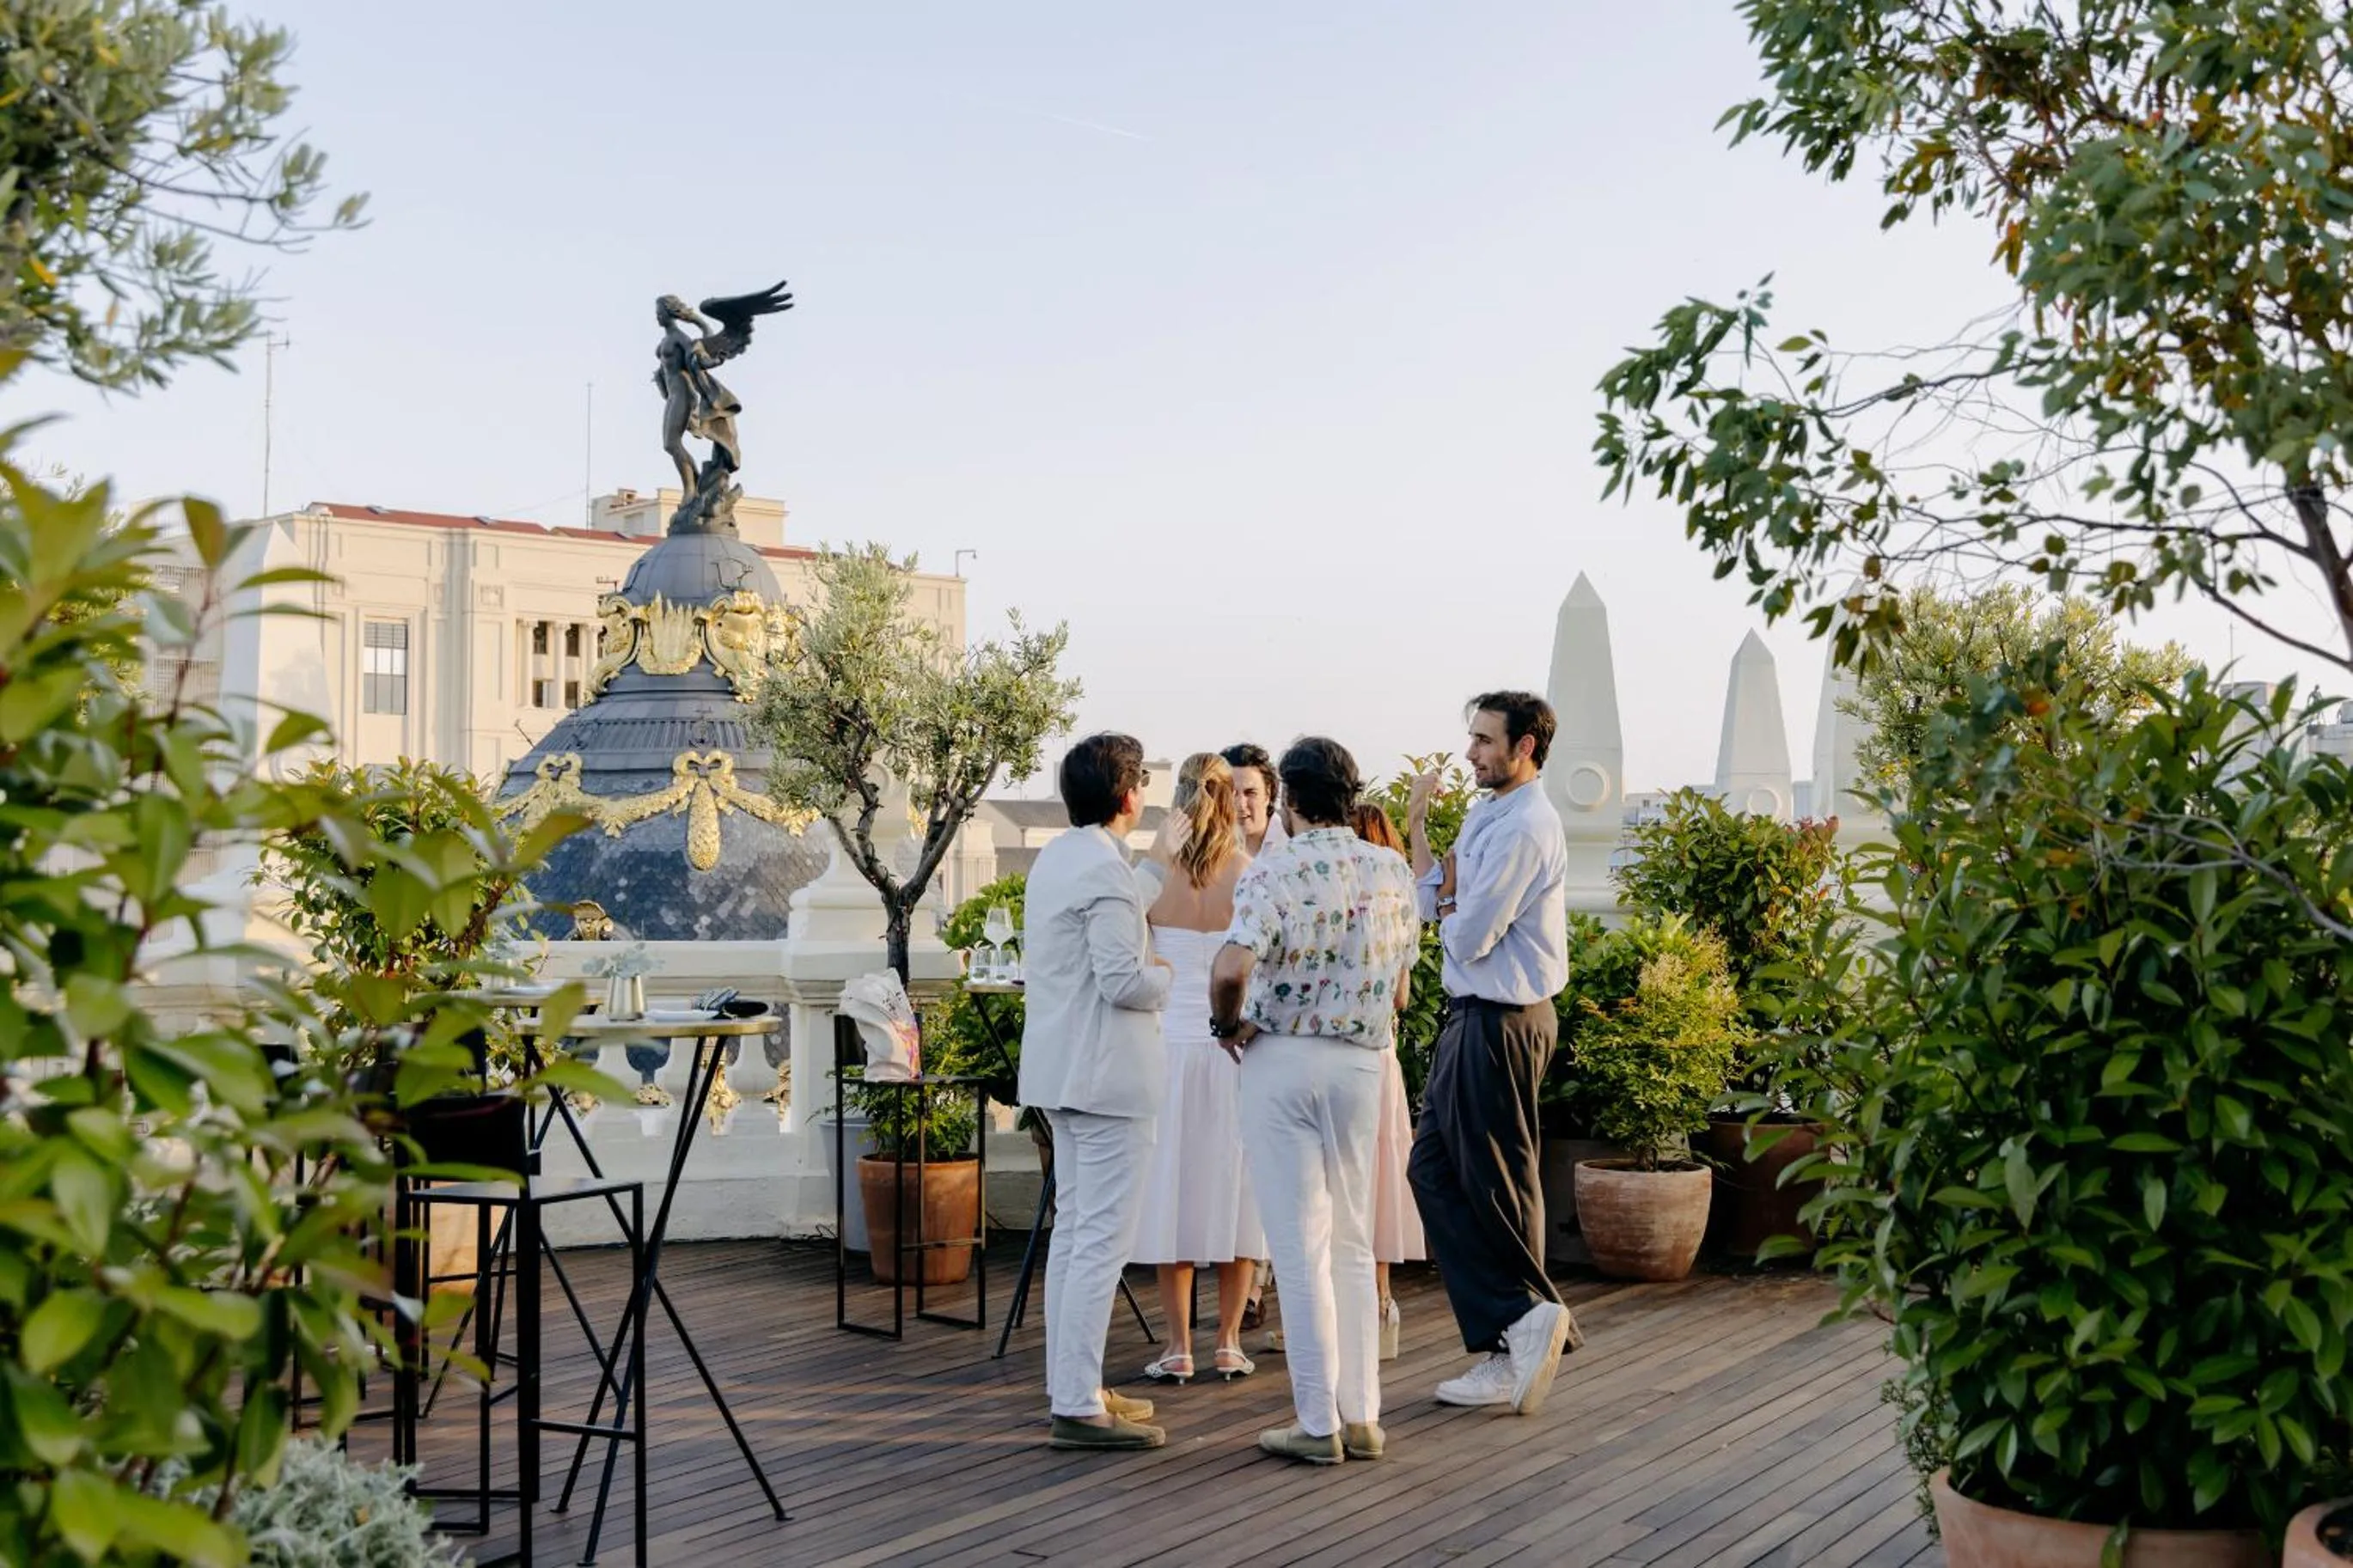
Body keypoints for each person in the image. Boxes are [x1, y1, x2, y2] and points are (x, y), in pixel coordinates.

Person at [1210, 738, 1418, 1466]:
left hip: (1284, 1059)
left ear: (1290, 799)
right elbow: (1402, 989)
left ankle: (1315, 1420)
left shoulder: (1273, 868)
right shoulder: (1393, 871)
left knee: (1299, 1248)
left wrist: (1225, 1022)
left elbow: (1233, 965)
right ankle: (1364, 1416)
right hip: (1361, 1064)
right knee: (1355, 1243)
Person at [1406, 691, 1581, 1418]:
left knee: (1502, 1180)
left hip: (1503, 1016)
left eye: (1485, 740)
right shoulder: (1486, 815)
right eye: (1472, 738)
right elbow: (1430, 902)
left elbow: (1467, 930)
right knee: (1433, 1170)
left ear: (1526, 747)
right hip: (1472, 1013)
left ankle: (1516, 1331)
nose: (1472, 751)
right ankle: (1517, 1320)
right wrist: (1416, 824)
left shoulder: (1527, 827)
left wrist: (1448, 902)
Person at [1018, 733, 1179, 1450]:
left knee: (1075, 1236)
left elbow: (1115, 903)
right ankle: (1079, 1403)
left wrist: (1159, 859)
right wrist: (1170, 976)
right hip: (1109, 1080)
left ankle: (1073, 1384)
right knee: (1099, 1246)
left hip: (1061, 1072)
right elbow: (1123, 980)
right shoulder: (1104, 873)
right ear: (1128, 794)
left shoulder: (1060, 858)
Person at [1131, 754, 1262, 1384]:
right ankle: (1230, 1341)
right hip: (1231, 1050)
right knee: (1237, 1193)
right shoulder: (1247, 873)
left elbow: (1135, 952)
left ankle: (1179, 1344)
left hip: (1171, 1049)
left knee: (1174, 1193)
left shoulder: (1154, 877)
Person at [1351, 801, 1427, 1360]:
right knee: (1380, 1180)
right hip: (1384, 1055)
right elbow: (1402, 995)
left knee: (1348, 1184)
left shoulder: (1342, 906)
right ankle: (1380, 1305)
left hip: (1347, 1056)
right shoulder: (1399, 905)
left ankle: (1345, 1308)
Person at [1219, 741, 1285, 1327]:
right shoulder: (1212, 859)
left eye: (1251, 792)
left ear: (1271, 796)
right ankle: (1244, 1275)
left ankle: (1260, 1279)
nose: (1241, 803)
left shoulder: (1286, 860)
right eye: (1231, 791)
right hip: (1225, 1026)